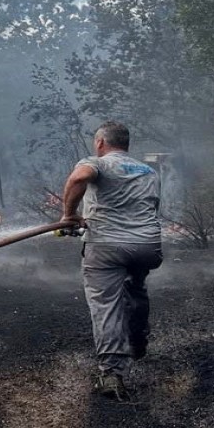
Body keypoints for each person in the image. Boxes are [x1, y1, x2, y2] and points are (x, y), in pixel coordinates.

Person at [58, 121, 163, 402]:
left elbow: (79, 178)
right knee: (136, 288)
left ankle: (112, 373)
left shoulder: (98, 163)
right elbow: (152, 207)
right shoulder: (149, 171)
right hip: (147, 246)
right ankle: (138, 340)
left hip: (106, 246)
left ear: (101, 143)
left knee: (106, 304)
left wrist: (68, 215)